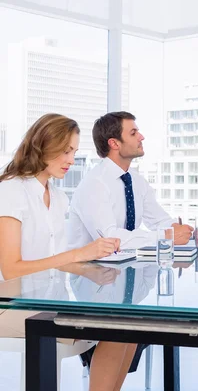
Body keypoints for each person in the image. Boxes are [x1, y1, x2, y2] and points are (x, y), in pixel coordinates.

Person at [0, 113, 137, 391]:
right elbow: (11, 269)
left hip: (47, 300)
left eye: (73, 151)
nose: (71, 160)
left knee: (131, 326)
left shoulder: (58, 197)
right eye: (65, 151)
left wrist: (97, 271)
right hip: (11, 306)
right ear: (42, 146)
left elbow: (58, 259)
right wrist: (77, 255)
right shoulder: (11, 190)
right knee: (116, 328)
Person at [68, 111, 198, 250]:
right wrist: (166, 236)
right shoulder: (94, 184)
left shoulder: (135, 180)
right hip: (91, 274)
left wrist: (193, 233)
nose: (141, 137)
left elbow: (159, 221)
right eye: (133, 133)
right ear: (114, 143)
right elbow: (110, 238)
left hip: (124, 267)